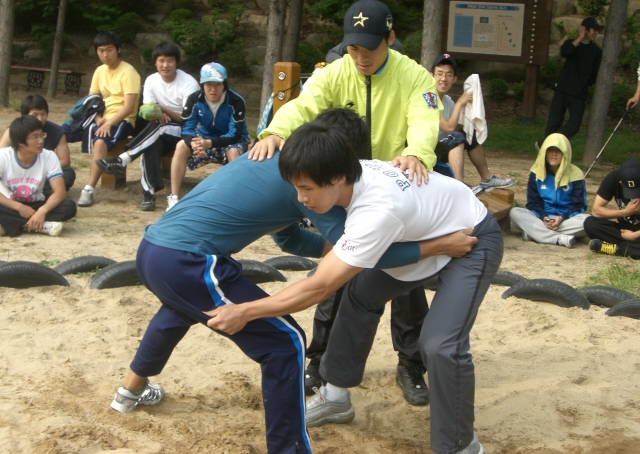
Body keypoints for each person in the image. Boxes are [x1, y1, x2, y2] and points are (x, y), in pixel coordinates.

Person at [109, 108, 466, 454]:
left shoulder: (281, 164)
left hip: (153, 252)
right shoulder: (312, 177)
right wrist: (437, 246)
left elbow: (290, 239)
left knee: (178, 310)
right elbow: (366, 255)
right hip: (189, 259)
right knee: (285, 343)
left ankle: (130, 391)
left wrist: (335, 249)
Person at [207, 121, 503, 454]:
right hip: (427, 233)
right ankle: (335, 397)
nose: (301, 199)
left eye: (307, 189)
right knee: (359, 294)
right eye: (295, 188)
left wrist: (246, 311)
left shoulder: (376, 212)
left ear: (337, 178)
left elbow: (318, 287)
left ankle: (460, 446)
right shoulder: (345, 172)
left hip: (471, 238)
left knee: (440, 344)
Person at [250, 0, 441, 405]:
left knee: (405, 280)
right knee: (336, 272)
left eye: (369, 48)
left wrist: (417, 153)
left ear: (390, 38)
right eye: (353, 48)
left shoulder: (414, 76)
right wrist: (275, 132)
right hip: (345, 188)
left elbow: (424, 120)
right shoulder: (336, 72)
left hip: (394, 191)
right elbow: (303, 106)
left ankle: (411, 365)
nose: (361, 57)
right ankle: (319, 362)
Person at [94, 42, 200, 211]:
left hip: (186, 132)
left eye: (170, 60)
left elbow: (187, 119)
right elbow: (147, 111)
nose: (165, 65)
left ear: (177, 62)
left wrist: (163, 109)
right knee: (150, 142)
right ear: (155, 63)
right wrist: (156, 113)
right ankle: (148, 194)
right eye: (161, 61)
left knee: (157, 130)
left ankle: (123, 159)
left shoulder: (189, 84)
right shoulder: (151, 80)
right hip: (160, 131)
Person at [166, 62, 250, 211]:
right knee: (181, 145)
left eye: (217, 84)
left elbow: (235, 134)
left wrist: (208, 143)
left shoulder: (236, 101)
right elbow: (186, 126)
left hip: (233, 140)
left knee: (233, 151)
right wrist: (193, 143)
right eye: (208, 84)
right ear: (202, 85)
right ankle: (174, 197)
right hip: (205, 137)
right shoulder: (194, 99)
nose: (213, 89)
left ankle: (236, 198)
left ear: (224, 84)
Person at [73, 31, 141, 208]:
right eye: (101, 50)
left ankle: (88, 189)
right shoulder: (99, 71)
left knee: (100, 141)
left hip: (123, 120)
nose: (105, 55)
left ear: (118, 50)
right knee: (63, 132)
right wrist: (96, 118)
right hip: (101, 117)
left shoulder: (128, 72)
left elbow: (129, 107)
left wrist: (109, 123)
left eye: (109, 50)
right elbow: (91, 99)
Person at [431, 53, 513, 190]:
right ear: (431, 75)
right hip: (424, 150)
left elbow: (458, 125)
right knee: (456, 136)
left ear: (454, 79)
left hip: (439, 147)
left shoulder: (447, 101)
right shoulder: (428, 98)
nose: (443, 78)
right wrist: (460, 102)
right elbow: (449, 128)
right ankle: (460, 187)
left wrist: (470, 108)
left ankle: (486, 178)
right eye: (439, 74)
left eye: (448, 75)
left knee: (469, 134)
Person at [0, 116, 76, 237]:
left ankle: (10, 224)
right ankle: (41, 226)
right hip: (10, 204)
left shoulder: (49, 156)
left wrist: (42, 211)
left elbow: (60, 192)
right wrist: (19, 207)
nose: (41, 141)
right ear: (20, 142)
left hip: (36, 204)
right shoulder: (3, 156)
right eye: (34, 137)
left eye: (41, 135)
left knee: (69, 207)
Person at [509, 133, 589, 248]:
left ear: (565, 153)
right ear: (544, 152)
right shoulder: (536, 172)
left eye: (558, 150)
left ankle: (535, 233)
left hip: (566, 220)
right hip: (541, 218)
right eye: (550, 150)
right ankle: (558, 239)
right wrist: (544, 217)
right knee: (515, 212)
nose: (554, 154)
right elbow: (533, 203)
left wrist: (561, 218)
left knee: (587, 221)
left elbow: (578, 206)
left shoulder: (576, 174)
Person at [538, 17, 603, 149]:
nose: (596, 33)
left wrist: (585, 84)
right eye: (594, 30)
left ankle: (547, 143)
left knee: (574, 124)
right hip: (563, 88)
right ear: (585, 29)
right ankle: (547, 149)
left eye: (597, 30)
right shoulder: (571, 44)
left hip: (579, 93)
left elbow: (594, 74)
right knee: (554, 122)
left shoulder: (596, 51)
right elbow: (565, 52)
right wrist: (580, 37)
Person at [0, 94, 76, 192]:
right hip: (17, 172)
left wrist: (42, 168)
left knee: (68, 174)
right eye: (35, 115)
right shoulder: (14, 131)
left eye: (43, 114)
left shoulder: (57, 131)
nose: (40, 118)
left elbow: (65, 161)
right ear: (25, 115)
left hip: (43, 172)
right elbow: (1, 153)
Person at [584, 159, 640, 259]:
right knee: (590, 223)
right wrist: (626, 212)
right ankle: (633, 247)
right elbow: (596, 211)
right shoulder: (613, 178)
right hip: (623, 230)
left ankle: (617, 249)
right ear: (620, 182)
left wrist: (634, 235)